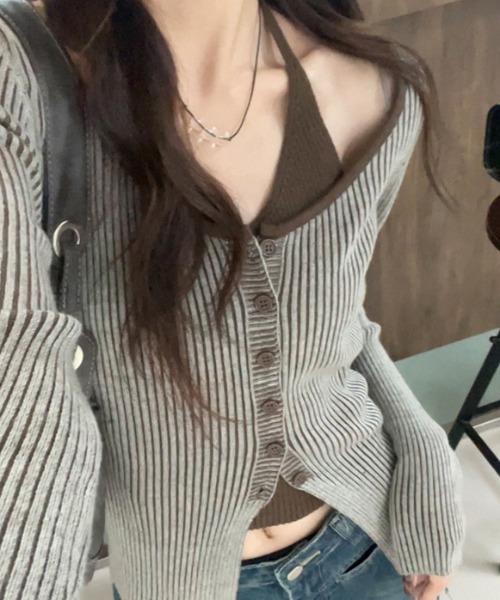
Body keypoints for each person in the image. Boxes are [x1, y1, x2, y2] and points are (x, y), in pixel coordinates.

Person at [0, 0, 465, 599]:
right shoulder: (28, 79)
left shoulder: (376, 92)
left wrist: (427, 465)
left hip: (367, 545)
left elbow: (343, 327)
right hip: (174, 579)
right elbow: (19, 372)